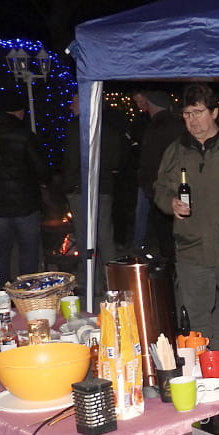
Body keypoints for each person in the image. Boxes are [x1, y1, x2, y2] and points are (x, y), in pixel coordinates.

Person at [154, 83, 219, 351]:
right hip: (191, 250)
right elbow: (160, 188)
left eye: (198, 112)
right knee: (195, 324)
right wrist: (169, 202)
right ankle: (199, 372)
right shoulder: (176, 150)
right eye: (187, 114)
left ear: (214, 112)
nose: (192, 121)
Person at [0, 91, 49, 286]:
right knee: (28, 248)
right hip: (25, 201)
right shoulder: (23, 135)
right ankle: (26, 289)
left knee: (0, 246)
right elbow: (41, 167)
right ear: (19, 112)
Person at [63, 92, 126, 290]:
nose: (71, 106)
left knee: (85, 237)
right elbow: (116, 160)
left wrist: (68, 186)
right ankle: (113, 283)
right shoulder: (109, 127)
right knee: (105, 236)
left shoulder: (77, 127)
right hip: (103, 187)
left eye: (74, 102)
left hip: (81, 189)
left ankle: (93, 283)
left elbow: (71, 160)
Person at [133, 90, 181, 257]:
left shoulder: (157, 126)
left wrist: (147, 183)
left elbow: (151, 158)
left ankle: (169, 262)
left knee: (163, 226)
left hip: (159, 183)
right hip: (174, 180)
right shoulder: (177, 123)